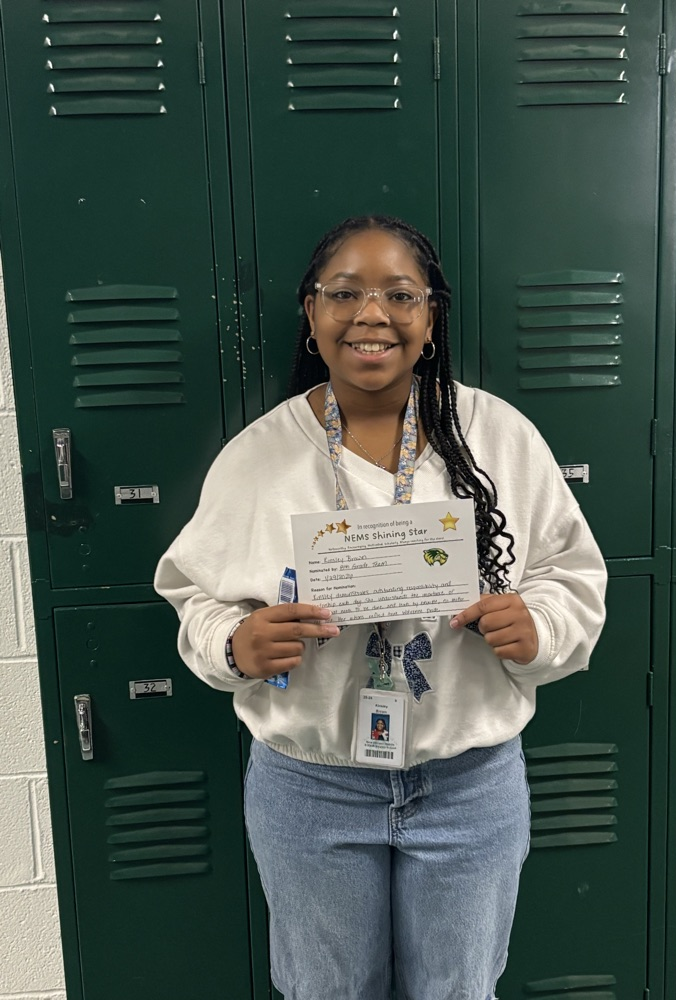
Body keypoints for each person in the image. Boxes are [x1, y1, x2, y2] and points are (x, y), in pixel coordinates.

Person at [154, 215, 607, 1000]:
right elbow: (193, 591)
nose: (372, 315)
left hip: (468, 783)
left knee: (460, 991)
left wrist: (539, 627)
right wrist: (234, 644)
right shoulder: (260, 456)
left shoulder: (499, 439)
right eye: (345, 293)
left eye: (401, 294)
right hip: (311, 789)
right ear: (311, 312)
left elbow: (573, 574)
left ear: (431, 318)